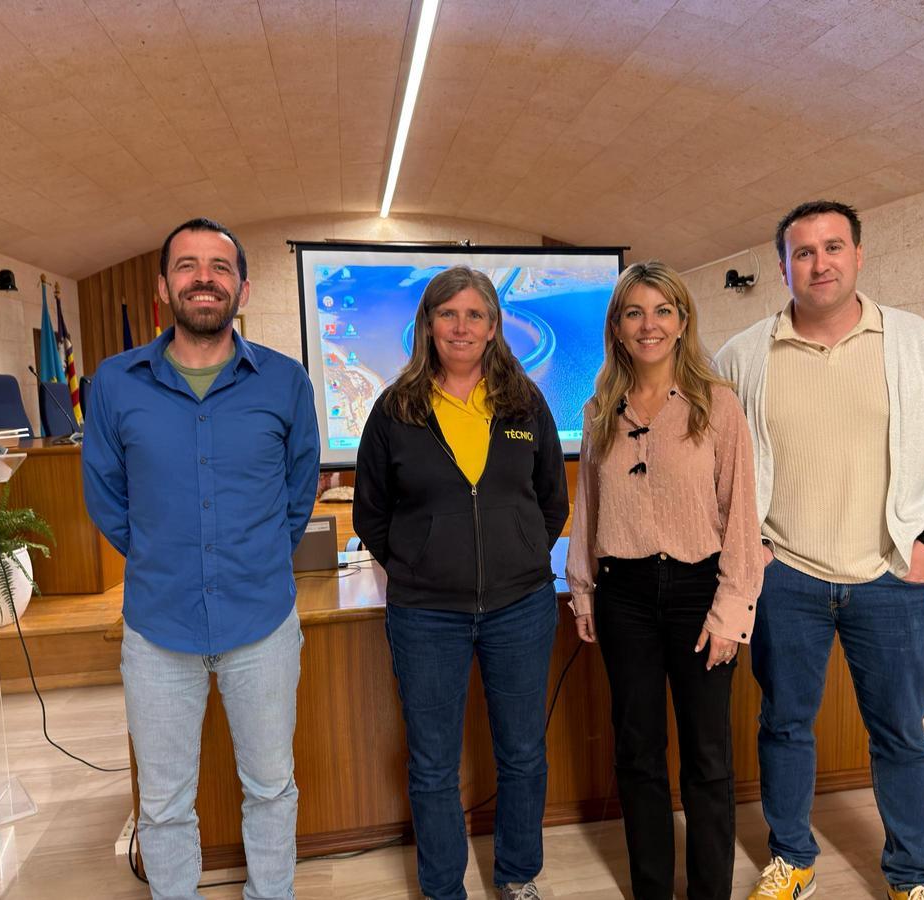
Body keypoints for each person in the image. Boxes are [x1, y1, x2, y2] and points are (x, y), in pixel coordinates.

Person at [715, 201, 924, 900]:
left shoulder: (921, 345)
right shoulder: (743, 355)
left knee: (901, 733)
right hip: (787, 576)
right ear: (782, 266)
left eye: (832, 247)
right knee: (783, 725)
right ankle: (793, 858)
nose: (820, 263)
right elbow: (715, 462)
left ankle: (911, 874)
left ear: (859, 256)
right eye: (803, 252)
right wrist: (750, 543)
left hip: (892, 577)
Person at [83, 217, 320, 900]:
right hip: (159, 627)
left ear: (241, 287)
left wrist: (254, 556)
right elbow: (106, 497)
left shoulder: (285, 382)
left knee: (271, 787)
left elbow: (297, 491)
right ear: (164, 287)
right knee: (161, 803)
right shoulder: (114, 383)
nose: (204, 278)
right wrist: (166, 555)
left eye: (219, 266)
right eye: (187, 265)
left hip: (262, 621)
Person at [353, 265, 569, 900]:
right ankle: (443, 888)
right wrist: (419, 563)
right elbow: (371, 511)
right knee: (431, 765)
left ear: (495, 327)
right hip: (425, 615)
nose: (461, 326)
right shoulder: (395, 410)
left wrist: (524, 550)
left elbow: (551, 500)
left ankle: (518, 875)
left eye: (475, 314)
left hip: (521, 607)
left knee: (524, 755)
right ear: (427, 324)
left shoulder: (526, 403)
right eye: (448, 314)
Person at [565, 261, 765, 900]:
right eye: (633, 313)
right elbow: (588, 506)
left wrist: (732, 608)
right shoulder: (601, 409)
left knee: (708, 758)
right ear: (617, 328)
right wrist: (584, 588)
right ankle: (651, 888)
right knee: (638, 753)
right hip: (622, 595)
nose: (648, 325)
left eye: (662, 311)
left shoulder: (718, 404)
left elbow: (741, 512)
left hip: (699, 593)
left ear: (682, 323)